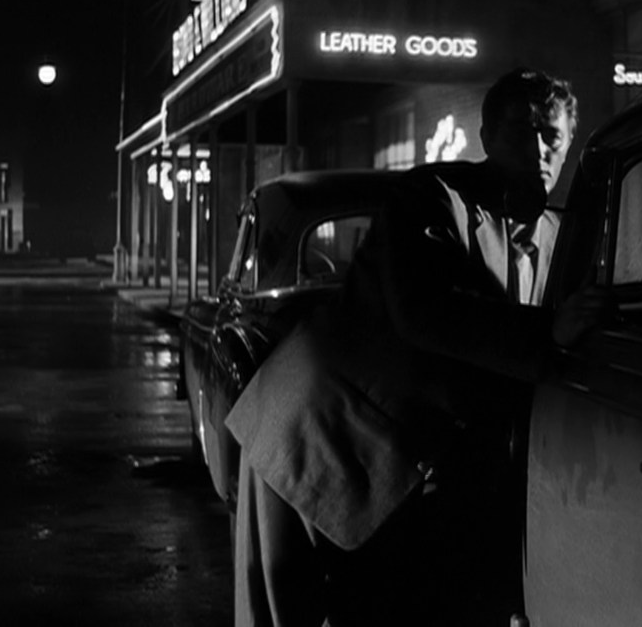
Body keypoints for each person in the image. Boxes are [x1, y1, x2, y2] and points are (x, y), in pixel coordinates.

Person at [226, 67, 609, 626]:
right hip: (317, 429)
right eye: (518, 131)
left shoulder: (557, 234)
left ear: (569, 144)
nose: (536, 149)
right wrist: (548, 331)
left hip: (406, 454)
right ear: (486, 137)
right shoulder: (430, 197)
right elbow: (428, 312)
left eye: (550, 135)